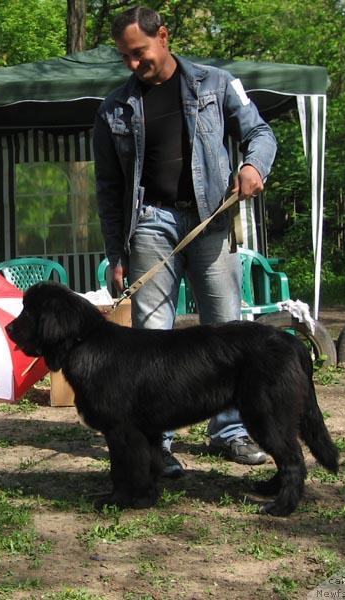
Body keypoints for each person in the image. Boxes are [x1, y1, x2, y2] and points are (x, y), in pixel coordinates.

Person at [93, 6, 278, 476]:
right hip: (150, 225)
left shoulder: (216, 84)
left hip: (211, 220)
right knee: (151, 340)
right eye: (125, 59)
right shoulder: (114, 108)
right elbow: (110, 190)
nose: (133, 65)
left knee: (225, 329)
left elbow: (258, 132)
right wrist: (116, 252)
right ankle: (158, 442)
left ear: (164, 36)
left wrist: (254, 165)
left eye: (139, 53)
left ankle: (230, 431)